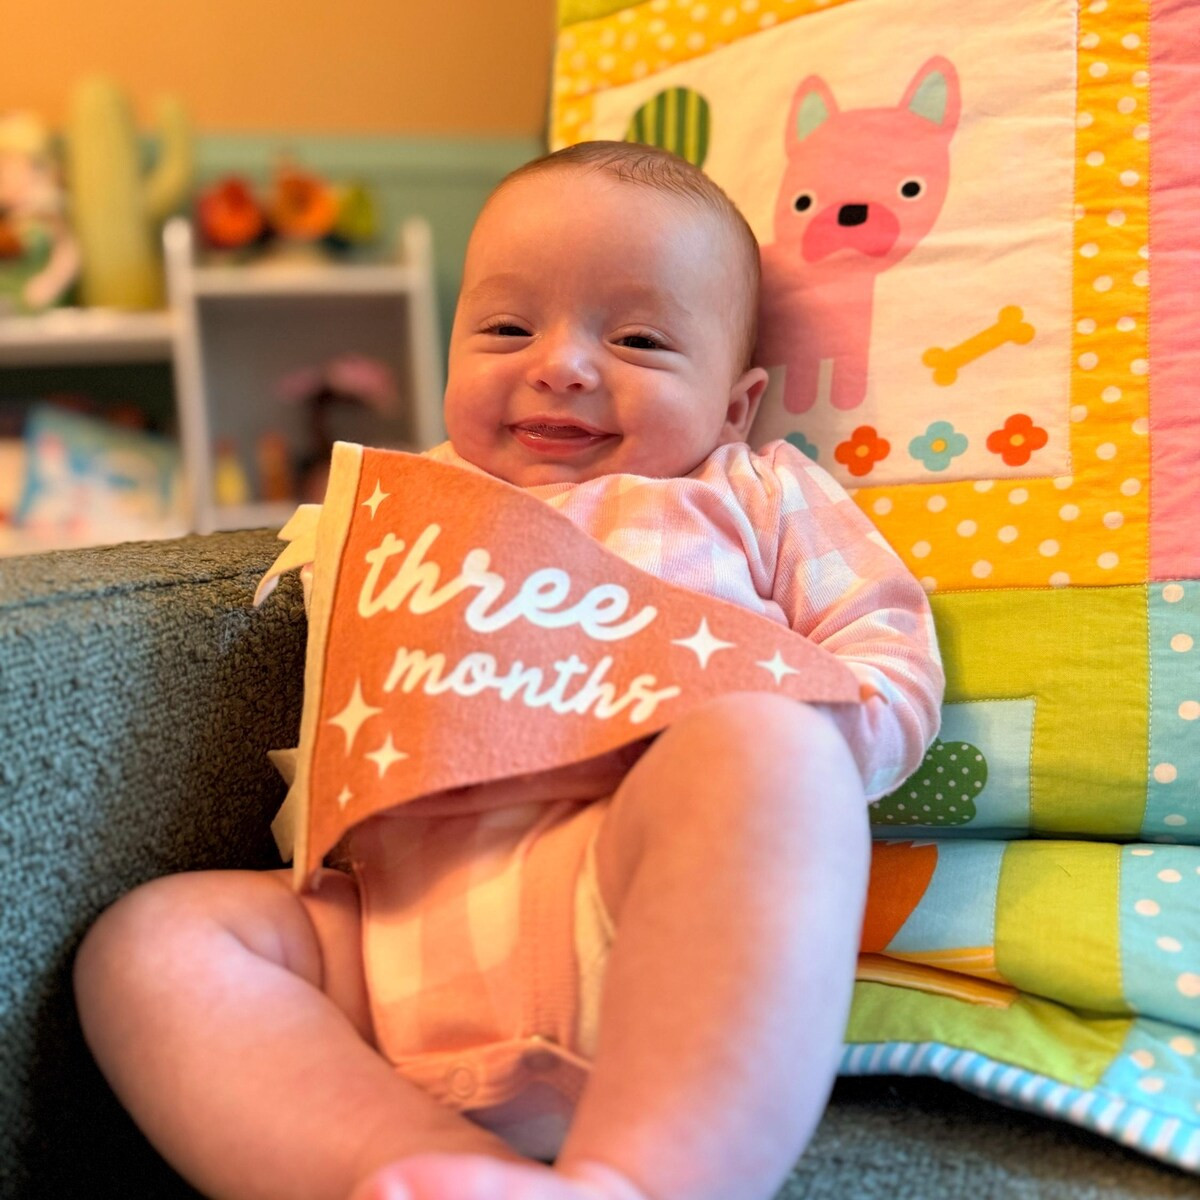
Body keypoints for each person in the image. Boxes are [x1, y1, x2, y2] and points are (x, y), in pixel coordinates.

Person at [74, 141, 943, 1200]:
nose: (563, 364)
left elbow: (889, 661)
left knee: (772, 747)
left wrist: (772, 744)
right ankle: (413, 1168)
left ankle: (641, 1179)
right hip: (392, 934)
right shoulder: (411, 500)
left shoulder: (752, 493)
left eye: (636, 338)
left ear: (732, 404)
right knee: (153, 943)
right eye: (505, 327)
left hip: (637, 918)